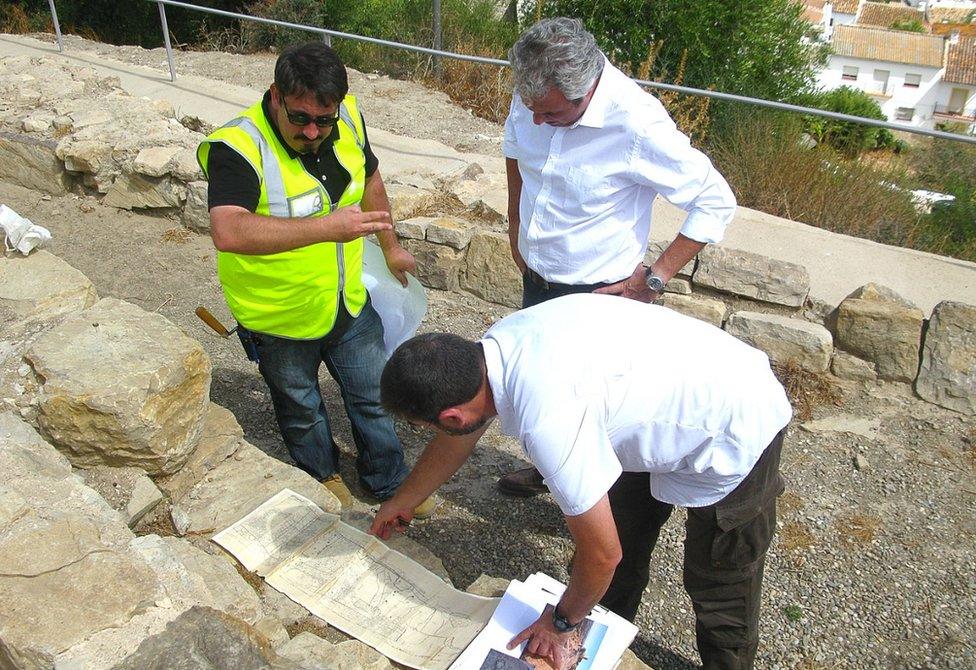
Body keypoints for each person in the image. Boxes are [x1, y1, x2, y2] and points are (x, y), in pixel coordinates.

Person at [370, 294, 792, 670]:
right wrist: (404, 499)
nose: (439, 432)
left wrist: (559, 622)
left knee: (720, 580)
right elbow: (456, 436)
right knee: (621, 534)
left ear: (450, 417)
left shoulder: (548, 422)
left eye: (431, 425)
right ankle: (606, 635)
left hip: (738, 420)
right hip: (660, 395)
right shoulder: (492, 351)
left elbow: (602, 555)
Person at [498, 17, 737, 496]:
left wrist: (653, 279)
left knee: (599, 408)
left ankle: (599, 513)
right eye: (532, 109)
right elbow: (515, 150)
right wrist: (515, 227)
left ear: (585, 91)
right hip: (537, 279)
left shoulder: (637, 123)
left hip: (600, 293)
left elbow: (715, 200)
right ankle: (553, 472)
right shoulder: (536, 90)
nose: (536, 120)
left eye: (551, 114)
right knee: (544, 391)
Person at [197, 41, 432, 517]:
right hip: (279, 316)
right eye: (300, 118)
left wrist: (390, 247)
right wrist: (326, 228)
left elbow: (369, 179)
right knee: (301, 407)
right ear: (276, 96)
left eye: (323, 121)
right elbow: (228, 229)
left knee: (373, 394)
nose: (312, 131)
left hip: (346, 300)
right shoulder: (236, 147)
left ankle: (388, 479)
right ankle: (322, 476)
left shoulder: (346, 116)